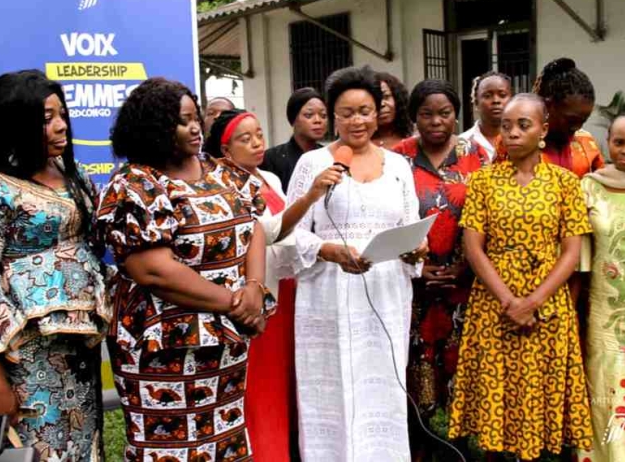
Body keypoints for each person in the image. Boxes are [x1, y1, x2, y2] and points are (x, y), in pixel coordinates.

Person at [97, 78, 275, 462]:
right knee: (170, 448)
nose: (195, 128)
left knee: (223, 444)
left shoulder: (225, 173)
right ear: (155, 128)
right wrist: (234, 302)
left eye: (197, 118)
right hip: (162, 347)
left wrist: (255, 287)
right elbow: (153, 271)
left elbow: (254, 226)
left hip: (226, 342)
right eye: (182, 121)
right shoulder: (134, 186)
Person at [0, 70, 110, 461]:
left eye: (61, 114)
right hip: (22, 360)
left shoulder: (73, 178)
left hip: (77, 357)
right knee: (29, 452)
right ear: (15, 122)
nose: (60, 126)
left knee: (81, 449)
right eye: (45, 118)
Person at [286, 65, 426, 462]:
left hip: (385, 295)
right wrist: (328, 250)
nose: (357, 120)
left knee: (380, 386)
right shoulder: (312, 165)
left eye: (365, 110)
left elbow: (410, 225)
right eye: (347, 113)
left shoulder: (398, 166)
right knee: (330, 388)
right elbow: (288, 233)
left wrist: (416, 248)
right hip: (327, 294)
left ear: (378, 112)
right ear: (332, 115)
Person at [448, 93, 593, 461]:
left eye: (523, 125)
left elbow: (571, 252)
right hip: (494, 302)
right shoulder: (483, 181)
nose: (512, 133)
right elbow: (474, 248)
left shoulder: (564, 183)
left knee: (536, 389)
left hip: (547, 302)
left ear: (543, 130)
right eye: (507, 125)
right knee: (497, 394)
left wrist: (533, 301)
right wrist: (509, 301)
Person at [204, 108, 343, 462]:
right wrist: (311, 196)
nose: (256, 143)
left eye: (259, 134)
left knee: (286, 384)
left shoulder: (269, 178)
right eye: (244, 138)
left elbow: (290, 237)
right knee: (261, 387)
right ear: (224, 149)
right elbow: (270, 231)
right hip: (254, 296)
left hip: (287, 289)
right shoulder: (223, 185)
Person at [391, 79, 488, 461]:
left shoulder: (478, 156)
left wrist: (466, 265)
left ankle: (459, 448)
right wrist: (417, 265)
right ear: (413, 116)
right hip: (412, 284)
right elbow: (385, 219)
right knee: (415, 371)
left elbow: (491, 216)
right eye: (427, 114)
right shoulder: (397, 157)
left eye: (444, 113)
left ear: (456, 115)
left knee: (460, 369)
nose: (436, 121)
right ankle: (417, 446)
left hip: (465, 282)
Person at [579, 115, 625, 462]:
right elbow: (581, 253)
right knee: (605, 383)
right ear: (607, 143)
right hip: (604, 309)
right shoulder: (589, 185)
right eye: (620, 143)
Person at [496, 58, 604, 177]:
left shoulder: (586, 142)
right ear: (548, 106)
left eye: (583, 121)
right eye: (571, 120)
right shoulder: (514, 141)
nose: (577, 127)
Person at [261, 87, 327, 192]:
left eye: (323, 115)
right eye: (309, 115)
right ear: (293, 119)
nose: (318, 120)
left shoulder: (329, 157)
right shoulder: (271, 159)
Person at [460, 71, 513, 161]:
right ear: (476, 103)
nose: (496, 100)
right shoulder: (462, 143)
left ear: (512, 100)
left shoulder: (522, 139)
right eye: (488, 96)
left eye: (502, 95)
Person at [372, 72, 413, 150]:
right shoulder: (359, 144)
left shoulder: (415, 138)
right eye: (375, 100)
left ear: (398, 99)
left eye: (386, 96)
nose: (381, 104)